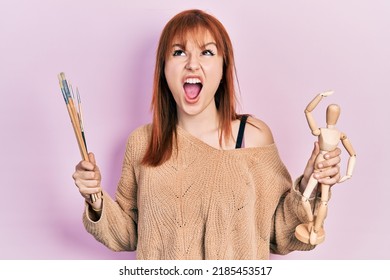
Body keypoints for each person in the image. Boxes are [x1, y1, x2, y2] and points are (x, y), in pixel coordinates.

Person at [72, 9, 341, 260]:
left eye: (207, 53)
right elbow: (128, 234)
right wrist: (94, 196)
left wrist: (309, 181)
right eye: (178, 53)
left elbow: (279, 232)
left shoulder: (252, 136)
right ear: (164, 69)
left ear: (224, 68)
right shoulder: (142, 142)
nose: (192, 64)